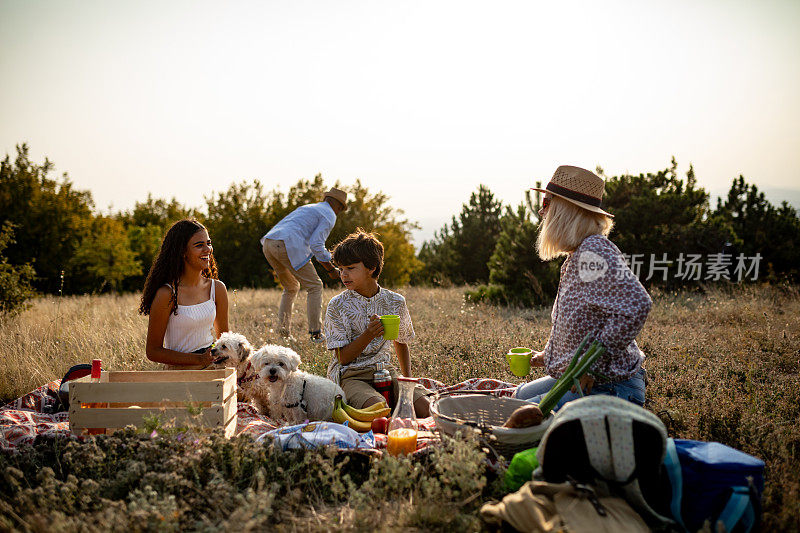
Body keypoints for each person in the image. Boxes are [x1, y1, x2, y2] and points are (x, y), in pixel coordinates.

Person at [514, 165, 651, 409]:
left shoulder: (593, 251)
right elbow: (587, 320)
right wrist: (547, 356)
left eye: (546, 203)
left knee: (521, 414)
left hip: (611, 387)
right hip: (588, 380)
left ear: (564, 211)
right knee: (517, 398)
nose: (540, 211)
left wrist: (590, 366)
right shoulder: (579, 255)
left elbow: (638, 305)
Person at [323, 229, 430, 417]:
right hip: (352, 375)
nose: (344, 275)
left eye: (351, 268)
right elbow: (342, 358)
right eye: (341, 269)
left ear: (371, 267)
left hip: (385, 371)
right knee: (379, 410)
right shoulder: (337, 306)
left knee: (426, 408)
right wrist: (369, 334)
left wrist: (407, 381)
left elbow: (401, 341)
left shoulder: (395, 301)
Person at [139, 219, 229, 369]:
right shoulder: (167, 294)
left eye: (208, 243)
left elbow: (225, 340)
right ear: (182, 252)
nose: (207, 249)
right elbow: (153, 351)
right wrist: (199, 359)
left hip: (212, 369)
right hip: (179, 375)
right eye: (199, 245)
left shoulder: (217, 288)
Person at [261, 188, 347, 343]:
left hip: (269, 243)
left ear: (326, 198)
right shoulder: (329, 215)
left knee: (291, 287)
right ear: (339, 207)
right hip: (286, 245)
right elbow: (316, 245)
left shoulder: (310, 207)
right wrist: (330, 269)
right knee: (315, 286)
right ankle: (316, 334)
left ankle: (283, 335)